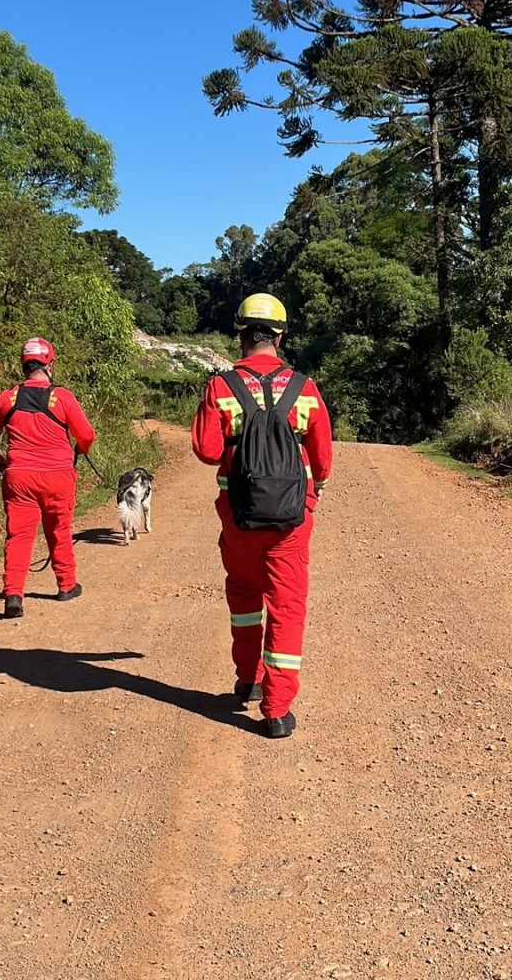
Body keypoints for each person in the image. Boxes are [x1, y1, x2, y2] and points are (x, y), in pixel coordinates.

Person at [191, 294, 332, 738]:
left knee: (245, 596)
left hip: (238, 518)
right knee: (287, 607)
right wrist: (315, 489)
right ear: (280, 335)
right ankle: (276, 710)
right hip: (291, 521)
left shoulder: (221, 387)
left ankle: (247, 680)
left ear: (241, 333)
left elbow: (206, 450)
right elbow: (323, 460)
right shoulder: (305, 388)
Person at [0, 337, 95, 619]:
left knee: (19, 537)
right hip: (58, 476)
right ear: (49, 364)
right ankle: (66, 585)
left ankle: (13, 595)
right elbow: (86, 435)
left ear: (23, 364)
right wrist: (79, 450)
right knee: (58, 530)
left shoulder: (5, 398)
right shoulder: (63, 397)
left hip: (18, 477)